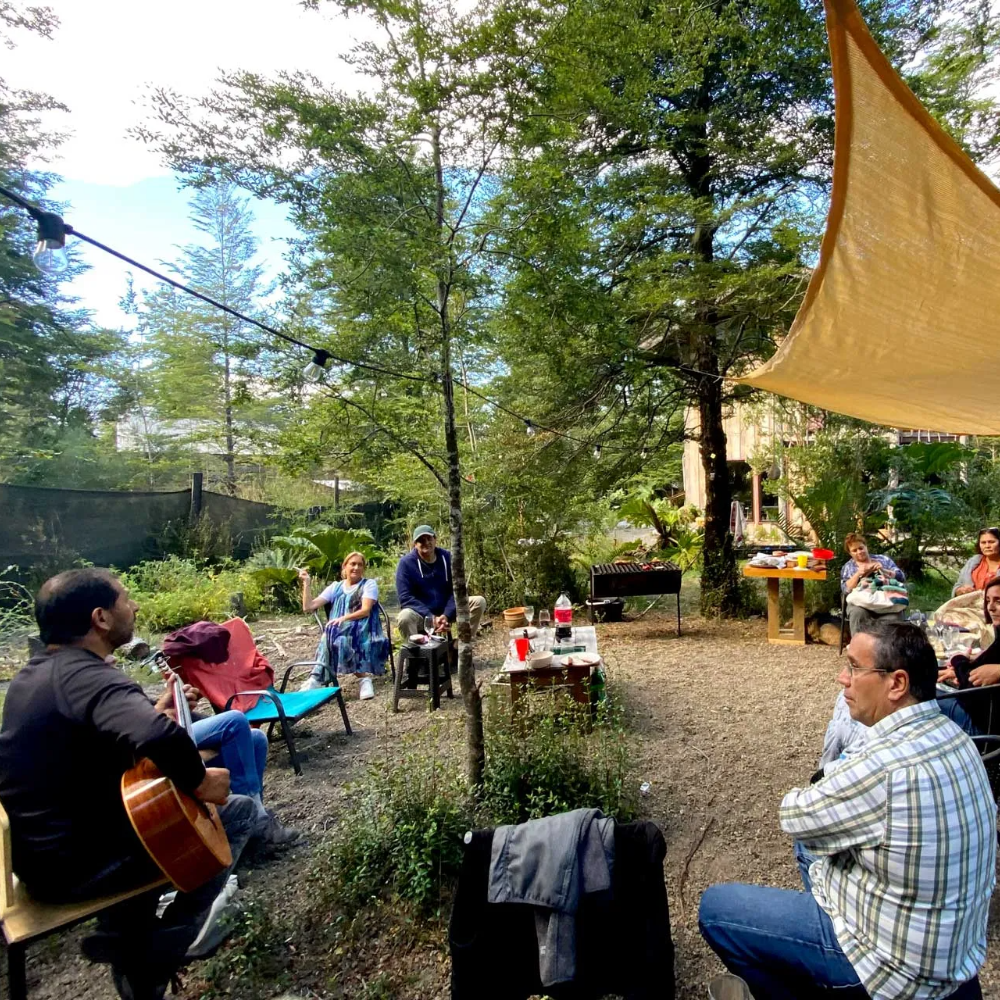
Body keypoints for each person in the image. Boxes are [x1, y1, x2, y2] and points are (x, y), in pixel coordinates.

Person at [699, 620, 996, 1000]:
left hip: (897, 970)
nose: (843, 678)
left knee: (716, 909)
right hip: (952, 952)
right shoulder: (958, 737)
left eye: (855, 668)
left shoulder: (881, 765)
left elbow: (794, 813)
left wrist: (832, 778)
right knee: (813, 846)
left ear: (897, 683)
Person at [0, 569, 258, 1000]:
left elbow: (91, 748)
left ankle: (128, 944)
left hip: (42, 857)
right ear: (100, 618)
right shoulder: (88, 677)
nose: (134, 606)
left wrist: (152, 710)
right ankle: (158, 951)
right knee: (238, 814)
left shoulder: (35, 676)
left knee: (152, 820)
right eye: (125, 598)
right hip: (82, 866)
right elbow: (158, 736)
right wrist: (199, 781)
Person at [297, 551, 388, 699]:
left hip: (363, 629)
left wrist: (344, 618)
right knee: (336, 638)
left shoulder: (369, 584)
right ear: (344, 567)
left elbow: (365, 611)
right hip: (337, 632)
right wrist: (306, 583)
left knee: (332, 636)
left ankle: (316, 679)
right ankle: (364, 680)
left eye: (360, 565)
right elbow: (308, 607)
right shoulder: (335, 587)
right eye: (353, 564)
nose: (356, 567)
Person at [395, 525, 487, 641]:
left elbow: (457, 590)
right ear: (415, 544)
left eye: (429, 538)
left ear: (435, 540)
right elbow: (405, 597)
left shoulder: (447, 557)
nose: (426, 543)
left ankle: (460, 645)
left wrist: (446, 615)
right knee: (405, 617)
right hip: (421, 614)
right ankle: (416, 649)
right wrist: (430, 617)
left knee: (478, 602)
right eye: (421, 540)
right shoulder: (406, 563)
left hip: (448, 608)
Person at [840, 531, 906, 637]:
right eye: (854, 550)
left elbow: (901, 577)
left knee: (894, 617)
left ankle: (889, 647)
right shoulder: (848, 567)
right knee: (857, 613)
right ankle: (859, 645)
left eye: (861, 548)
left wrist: (884, 571)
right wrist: (858, 574)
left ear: (866, 546)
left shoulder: (883, 559)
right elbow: (845, 590)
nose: (859, 552)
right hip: (861, 605)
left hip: (886, 602)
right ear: (850, 553)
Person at [953, 526, 1000, 596]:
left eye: (991, 542)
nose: (987, 546)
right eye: (983, 542)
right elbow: (958, 585)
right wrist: (960, 591)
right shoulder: (973, 562)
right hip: (970, 602)